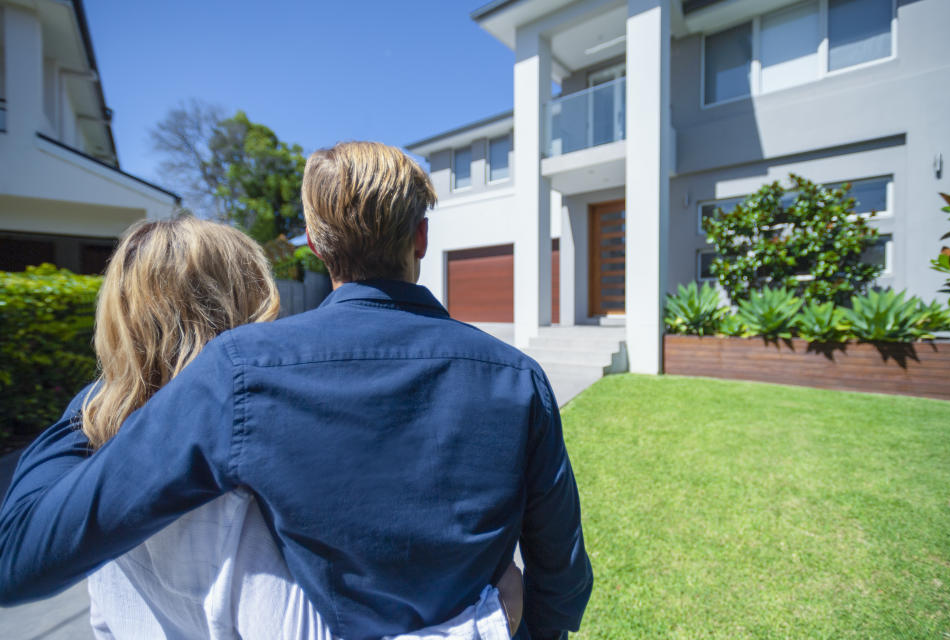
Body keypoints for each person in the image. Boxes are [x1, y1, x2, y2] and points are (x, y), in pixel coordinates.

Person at [0, 142, 592, 640]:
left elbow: (25, 556)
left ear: (312, 240)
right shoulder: (518, 376)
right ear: (421, 238)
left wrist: (107, 387)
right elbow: (561, 573)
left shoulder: (237, 372)